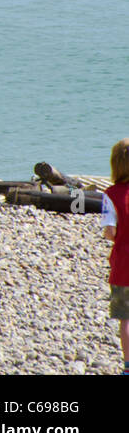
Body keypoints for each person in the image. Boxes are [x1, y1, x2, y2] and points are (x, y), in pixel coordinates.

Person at [101, 137, 129, 374]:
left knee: (126, 318)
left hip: (123, 264)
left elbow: (110, 231)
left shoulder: (110, 194)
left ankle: (128, 367)